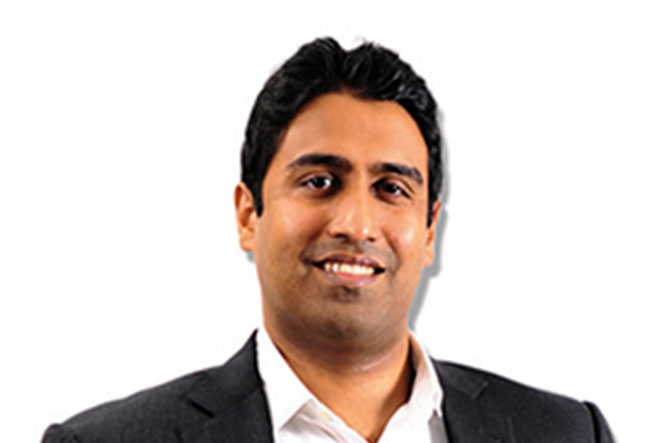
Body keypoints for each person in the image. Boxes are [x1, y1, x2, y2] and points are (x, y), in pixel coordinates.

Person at [42, 37, 614, 443]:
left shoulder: (566, 434)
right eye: (320, 182)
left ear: (429, 230)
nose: (355, 224)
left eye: (391, 188)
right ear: (249, 215)